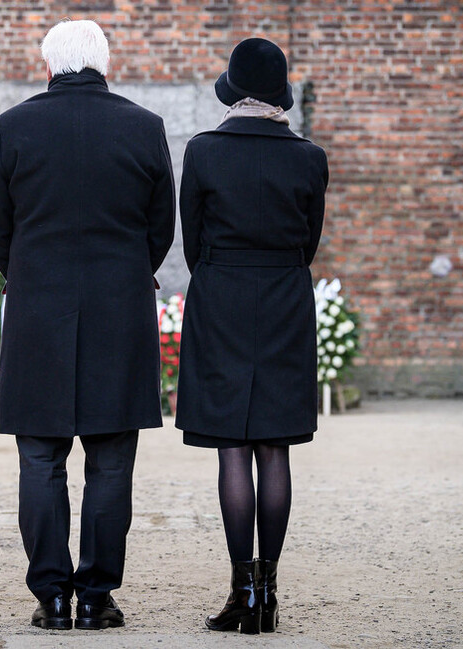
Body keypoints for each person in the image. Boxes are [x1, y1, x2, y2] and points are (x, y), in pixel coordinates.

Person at [0, 19, 175, 631]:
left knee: (40, 459)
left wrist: (29, 274)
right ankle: (96, 594)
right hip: (120, 309)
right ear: (105, 64)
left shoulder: (13, 126)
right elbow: (160, 227)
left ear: (48, 65)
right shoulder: (145, 126)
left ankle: (52, 595)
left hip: (39, 307)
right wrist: (126, 273)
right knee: (111, 460)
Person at [174, 38, 329, 634]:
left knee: (233, 446)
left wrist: (222, 271)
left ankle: (242, 590)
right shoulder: (309, 157)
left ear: (235, 90)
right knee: (275, 446)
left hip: (222, 297)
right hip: (286, 298)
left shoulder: (205, 152)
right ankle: (268, 596)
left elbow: (192, 241)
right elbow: (308, 241)